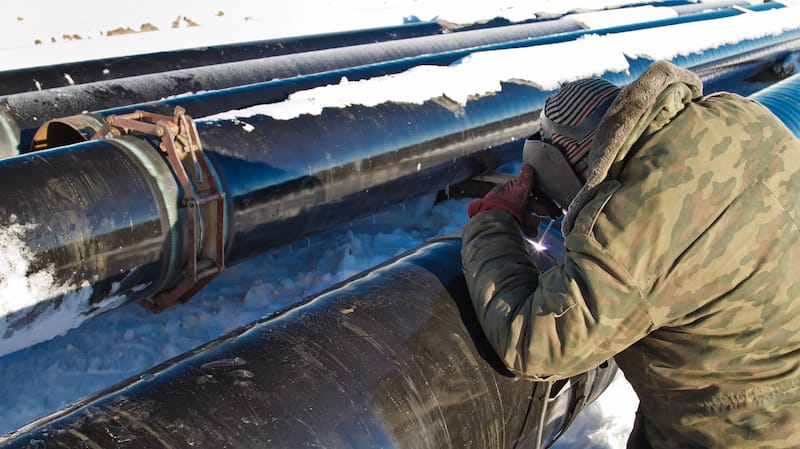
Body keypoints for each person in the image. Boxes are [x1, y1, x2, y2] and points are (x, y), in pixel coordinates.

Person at [461, 59, 800, 448]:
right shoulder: (737, 114)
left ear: (567, 160)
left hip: (738, 433)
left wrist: (493, 223)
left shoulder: (633, 218)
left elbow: (535, 343)